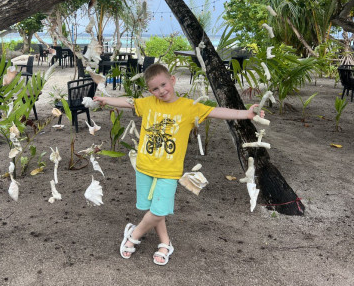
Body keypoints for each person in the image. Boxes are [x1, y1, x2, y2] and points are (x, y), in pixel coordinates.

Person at [93, 63, 264, 266]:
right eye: (155, 89)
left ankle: (133, 235)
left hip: (169, 170)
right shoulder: (147, 103)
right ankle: (165, 242)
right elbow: (128, 102)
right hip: (145, 166)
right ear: (150, 91)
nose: (161, 91)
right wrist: (106, 99)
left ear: (172, 80)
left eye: (164, 85)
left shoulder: (189, 107)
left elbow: (216, 111)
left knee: (159, 210)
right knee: (153, 208)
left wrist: (246, 114)